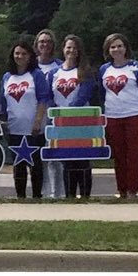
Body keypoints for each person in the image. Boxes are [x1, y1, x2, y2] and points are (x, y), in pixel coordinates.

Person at [47, 35, 96, 199]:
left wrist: (67, 114)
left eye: (75, 48)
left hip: (81, 122)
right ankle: (69, 196)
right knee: (66, 160)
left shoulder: (85, 72)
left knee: (82, 159)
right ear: (63, 49)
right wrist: (57, 116)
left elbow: (82, 97)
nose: (71, 51)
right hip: (60, 124)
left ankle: (85, 195)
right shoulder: (54, 73)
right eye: (69, 47)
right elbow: (49, 98)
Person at [1, 39, 51, 199]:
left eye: (23, 53)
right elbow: (3, 102)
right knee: (18, 166)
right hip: (14, 128)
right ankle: (20, 197)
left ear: (30, 56)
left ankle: (37, 196)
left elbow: (43, 99)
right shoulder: (7, 77)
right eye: (17, 53)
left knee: (36, 165)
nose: (20, 56)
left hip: (34, 129)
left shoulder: (36, 75)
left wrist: (38, 120)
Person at [97, 33, 138, 199]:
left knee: (133, 154)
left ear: (125, 48)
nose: (116, 49)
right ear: (108, 50)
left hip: (134, 114)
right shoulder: (104, 70)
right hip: (112, 116)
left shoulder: (136, 68)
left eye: (119, 46)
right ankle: (121, 189)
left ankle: (133, 190)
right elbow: (102, 94)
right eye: (113, 46)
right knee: (119, 154)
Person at [34, 29, 65, 198]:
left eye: (48, 41)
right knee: (40, 157)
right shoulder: (32, 66)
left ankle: (58, 192)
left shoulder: (59, 66)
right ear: (36, 45)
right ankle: (44, 192)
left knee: (56, 157)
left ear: (53, 45)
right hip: (36, 117)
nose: (44, 44)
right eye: (41, 41)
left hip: (55, 116)